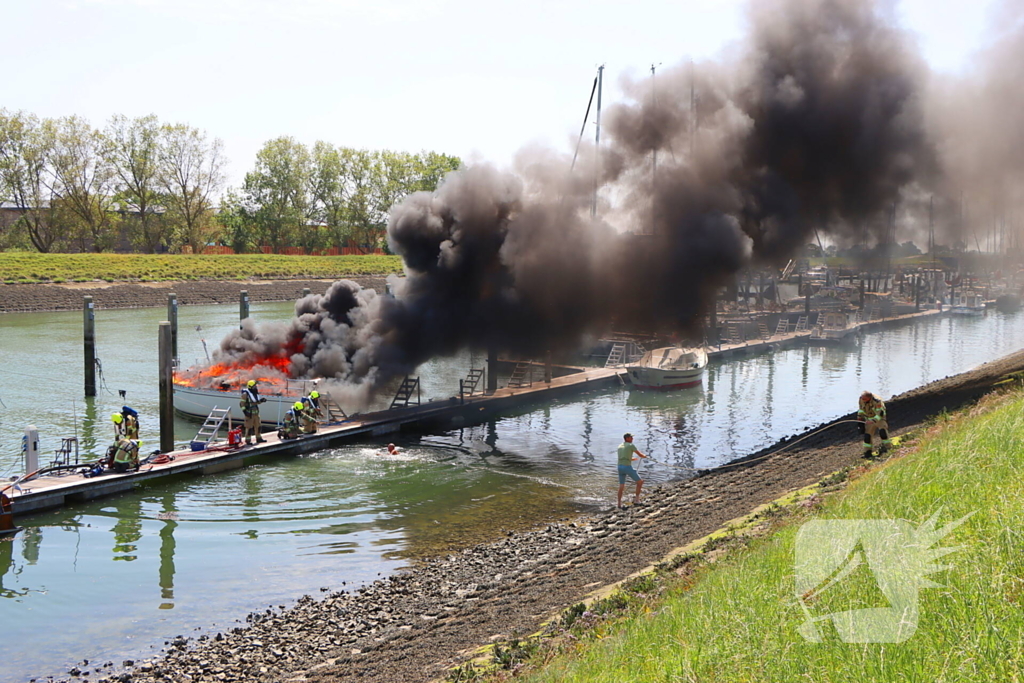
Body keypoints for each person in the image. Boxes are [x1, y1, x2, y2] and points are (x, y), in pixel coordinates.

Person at [617, 432, 648, 508]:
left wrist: (631, 459)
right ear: (627, 438)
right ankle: (637, 500)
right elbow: (640, 455)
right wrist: (644, 456)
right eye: (631, 437)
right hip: (627, 467)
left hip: (619, 467)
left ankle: (619, 503)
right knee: (640, 482)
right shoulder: (631, 445)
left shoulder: (620, 446)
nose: (632, 439)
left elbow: (622, 457)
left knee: (621, 486)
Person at [857, 391, 891, 456]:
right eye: (862, 398)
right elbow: (861, 409)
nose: (863, 400)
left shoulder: (877, 401)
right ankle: (867, 452)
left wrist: (873, 420)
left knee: (883, 432)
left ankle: (887, 448)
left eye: (864, 399)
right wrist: (860, 419)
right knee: (867, 436)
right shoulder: (861, 399)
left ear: (869, 398)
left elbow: (880, 413)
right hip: (868, 419)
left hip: (879, 419)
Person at [240, 380, 267, 445]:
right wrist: (245, 412)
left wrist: (261, 401)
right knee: (249, 428)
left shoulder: (254, 393)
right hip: (249, 414)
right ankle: (248, 441)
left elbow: (255, 402)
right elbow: (241, 404)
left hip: (256, 414)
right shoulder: (245, 394)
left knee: (258, 426)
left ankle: (259, 438)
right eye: (254, 386)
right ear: (251, 386)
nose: (255, 387)